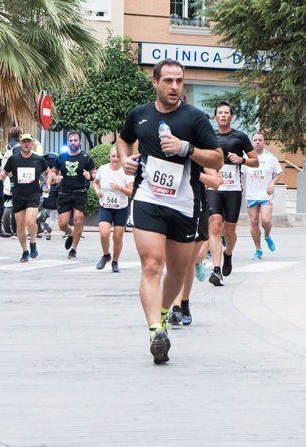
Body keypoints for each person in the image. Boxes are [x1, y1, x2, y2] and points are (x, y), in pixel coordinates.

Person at [117, 59, 223, 364]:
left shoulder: (195, 119)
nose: (175, 86)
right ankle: (154, 331)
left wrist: (186, 149)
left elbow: (216, 160)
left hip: (185, 204)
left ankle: (164, 315)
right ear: (155, 83)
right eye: (168, 81)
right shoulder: (140, 115)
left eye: (179, 81)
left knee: (177, 271)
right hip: (149, 198)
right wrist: (125, 159)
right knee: (152, 264)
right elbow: (124, 139)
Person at [206, 101, 257, 287]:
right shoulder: (209, 136)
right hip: (215, 187)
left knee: (230, 231)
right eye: (220, 112)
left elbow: (255, 161)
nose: (223, 115)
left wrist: (242, 160)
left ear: (231, 116)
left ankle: (228, 254)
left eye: (226, 112)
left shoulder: (240, 137)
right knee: (215, 226)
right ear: (215, 116)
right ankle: (216, 269)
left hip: (233, 189)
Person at [168, 168, 221, 325]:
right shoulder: (166, 148)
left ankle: (184, 303)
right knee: (177, 262)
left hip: (195, 210)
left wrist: (194, 173)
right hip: (171, 208)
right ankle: (175, 308)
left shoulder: (198, 151)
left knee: (189, 262)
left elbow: (216, 182)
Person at [0, 134, 49, 262]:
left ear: (32, 144)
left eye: (28, 142)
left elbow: (48, 172)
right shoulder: (14, 159)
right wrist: (2, 175)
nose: (26, 144)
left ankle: (33, 243)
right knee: (20, 227)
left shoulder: (38, 159)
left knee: (30, 221)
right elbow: (5, 171)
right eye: (24, 142)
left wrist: (47, 183)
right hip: (18, 196)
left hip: (33, 195)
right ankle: (25, 251)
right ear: (20, 144)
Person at [49, 131, 96, 259]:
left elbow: (95, 174)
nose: (73, 143)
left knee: (78, 219)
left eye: (75, 140)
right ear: (68, 142)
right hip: (64, 193)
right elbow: (53, 171)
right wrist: (55, 177)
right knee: (63, 224)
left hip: (80, 193)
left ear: (79, 142)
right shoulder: (61, 157)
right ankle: (71, 234)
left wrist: (90, 176)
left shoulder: (86, 157)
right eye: (71, 140)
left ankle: (73, 249)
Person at [93, 146, 135, 272]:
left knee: (117, 237)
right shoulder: (103, 169)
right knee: (104, 233)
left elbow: (131, 192)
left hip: (121, 208)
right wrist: (97, 191)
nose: (115, 159)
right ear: (109, 157)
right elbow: (95, 182)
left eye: (118, 156)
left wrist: (118, 187)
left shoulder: (126, 172)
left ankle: (115, 262)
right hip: (106, 206)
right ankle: (106, 255)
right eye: (113, 156)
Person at [244, 132, 282, 259]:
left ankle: (267, 236)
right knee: (254, 222)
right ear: (252, 142)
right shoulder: (246, 158)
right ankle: (258, 250)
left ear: (264, 142)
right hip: (251, 195)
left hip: (265, 195)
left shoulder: (270, 158)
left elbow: (279, 172)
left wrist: (272, 182)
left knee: (265, 221)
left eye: (260, 139)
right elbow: (240, 172)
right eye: (255, 140)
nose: (258, 142)